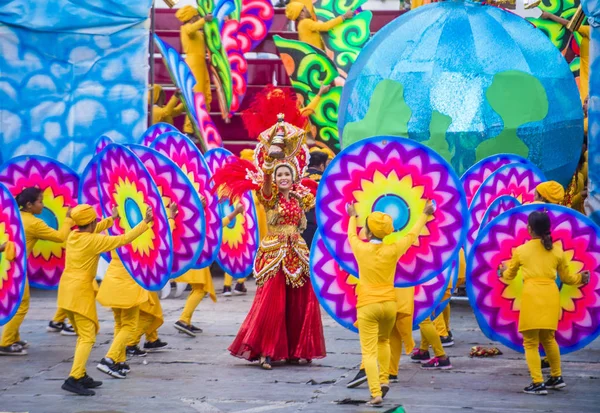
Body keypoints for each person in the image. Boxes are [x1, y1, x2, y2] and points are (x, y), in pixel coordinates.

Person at [224, 160, 326, 369]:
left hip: (297, 251)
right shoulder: (269, 198)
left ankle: (294, 351)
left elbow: (320, 205)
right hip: (274, 253)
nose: (283, 178)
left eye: (286, 174)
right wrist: (270, 165)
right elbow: (267, 185)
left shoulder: (301, 198)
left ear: (294, 177)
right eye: (279, 175)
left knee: (299, 301)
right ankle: (266, 351)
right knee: (272, 302)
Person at [346, 200, 435, 406]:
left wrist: (352, 216)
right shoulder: (393, 249)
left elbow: (351, 235)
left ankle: (375, 392)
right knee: (384, 342)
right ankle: (385, 380)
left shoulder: (360, 248)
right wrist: (424, 213)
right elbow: (412, 235)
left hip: (368, 305)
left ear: (367, 232)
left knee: (368, 352)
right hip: (389, 305)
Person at [58, 204, 152, 395]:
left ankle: (81, 374)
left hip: (66, 290)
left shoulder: (73, 236)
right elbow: (124, 239)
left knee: (83, 335)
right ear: (92, 222)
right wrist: (145, 222)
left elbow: (94, 229)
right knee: (88, 336)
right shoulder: (94, 241)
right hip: (79, 291)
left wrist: (111, 219)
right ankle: (74, 378)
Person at [499, 211, 590, 395]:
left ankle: (538, 382)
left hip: (532, 295)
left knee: (530, 342)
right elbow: (568, 278)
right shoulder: (557, 250)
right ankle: (556, 377)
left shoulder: (521, 251)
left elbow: (509, 276)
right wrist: (582, 277)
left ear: (529, 229)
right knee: (549, 338)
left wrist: (501, 271)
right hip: (551, 295)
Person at [96, 204, 177, 378]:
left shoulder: (116, 230)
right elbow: (163, 237)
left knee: (119, 324)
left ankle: (119, 361)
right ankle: (109, 359)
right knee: (129, 325)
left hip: (112, 281)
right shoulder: (140, 237)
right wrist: (170, 217)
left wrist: (112, 217)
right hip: (129, 284)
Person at [0, 188, 75, 356]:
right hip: (17, 267)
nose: (43, 205)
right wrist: (69, 219)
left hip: (6, 265)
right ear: (29, 205)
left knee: (16, 302)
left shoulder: (15, 215)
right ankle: (5, 343)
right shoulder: (34, 223)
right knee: (21, 304)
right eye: (40, 201)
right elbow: (60, 237)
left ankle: (13, 337)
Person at [174, 204, 244, 336]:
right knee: (200, 290)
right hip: (196, 259)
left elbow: (216, 226)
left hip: (192, 258)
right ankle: (183, 319)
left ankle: (186, 320)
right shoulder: (193, 218)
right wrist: (235, 212)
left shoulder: (190, 216)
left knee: (197, 289)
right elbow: (216, 226)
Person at [175, 6, 213, 135]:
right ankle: (189, 129)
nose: (198, 16)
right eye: (196, 15)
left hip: (200, 64)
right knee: (196, 96)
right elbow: (191, 29)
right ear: (191, 17)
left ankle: (199, 126)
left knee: (204, 95)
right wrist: (204, 20)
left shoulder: (198, 31)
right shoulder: (186, 28)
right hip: (193, 64)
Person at [540, 11, 589, 103]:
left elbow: (570, 25)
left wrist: (550, 15)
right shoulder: (591, 31)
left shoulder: (592, 31)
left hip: (589, 78)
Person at [285, 0, 354, 50]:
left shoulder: (301, 25)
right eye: (305, 8)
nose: (308, 10)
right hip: (315, 56)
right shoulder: (306, 22)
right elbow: (326, 27)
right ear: (301, 13)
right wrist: (344, 17)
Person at [301, 150, 329, 248]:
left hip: (298, 224)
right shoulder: (325, 179)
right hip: (318, 224)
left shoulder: (298, 178)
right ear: (322, 165)